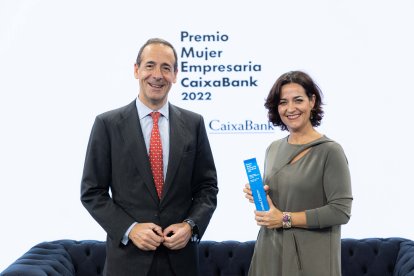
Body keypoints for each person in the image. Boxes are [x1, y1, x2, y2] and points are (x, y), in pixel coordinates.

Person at [81, 38, 218, 276]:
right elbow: (92, 192)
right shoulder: (107, 124)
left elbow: (207, 187)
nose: (157, 75)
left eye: (166, 68)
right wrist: (130, 229)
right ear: (136, 70)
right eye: (150, 65)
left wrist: (190, 226)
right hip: (126, 262)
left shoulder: (194, 124)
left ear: (175, 75)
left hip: (181, 263)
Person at [243, 70, 353, 276]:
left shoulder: (330, 151)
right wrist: (259, 195)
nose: (290, 108)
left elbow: (341, 211)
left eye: (298, 100)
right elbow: (282, 200)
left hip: (311, 259)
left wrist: (285, 218)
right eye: (283, 102)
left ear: (312, 101)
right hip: (270, 251)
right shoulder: (273, 148)